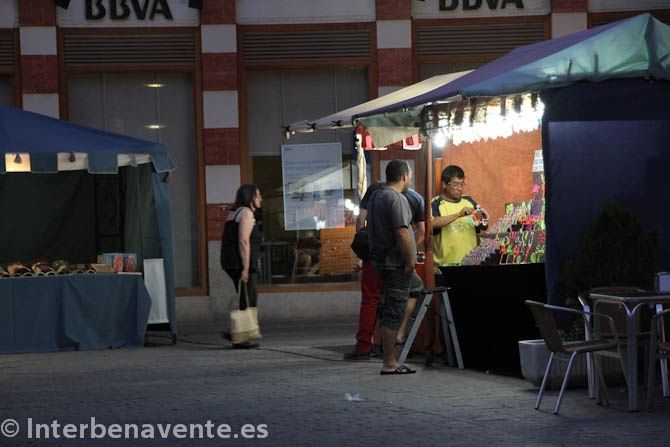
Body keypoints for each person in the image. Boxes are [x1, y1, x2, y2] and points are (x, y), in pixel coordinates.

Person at [344, 181, 425, 360]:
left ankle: (364, 346)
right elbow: (421, 232)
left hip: (374, 256)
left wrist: (364, 251)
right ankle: (396, 341)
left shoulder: (375, 191)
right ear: (405, 177)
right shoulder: (415, 197)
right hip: (399, 259)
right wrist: (408, 253)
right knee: (400, 297)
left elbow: (361, 221)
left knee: (370, 300)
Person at [367, 160, 423, 375]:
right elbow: (402, 232)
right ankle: (389, 362)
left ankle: (400, 331)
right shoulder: (396, 199)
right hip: (395, 263)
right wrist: (410, 260)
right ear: (404, 176)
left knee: (416, 286)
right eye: (410, 177)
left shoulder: (376, 196)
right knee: (394, 310)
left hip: (381, 262)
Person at [220, 184, 263, 349]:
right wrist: (245, 268)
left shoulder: (234, 212)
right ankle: (240, 337)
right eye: (257, 195)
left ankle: (233, 331)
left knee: (245, 296)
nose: (260, 198)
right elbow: (243, 241)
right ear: (249, 197)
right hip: (241, 262)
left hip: (230, 261)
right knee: (248, 297)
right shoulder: (246, 213)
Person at [431, 165, 487, 267]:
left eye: (462, 184)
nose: (460, 188)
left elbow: (484, 226)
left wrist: (481, 217)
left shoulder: (469, 201)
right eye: (456, 184)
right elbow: (432, 224)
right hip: (445, 266)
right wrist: (458, 214)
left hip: (472, 263)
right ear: (444, 184)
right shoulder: (436, 203)